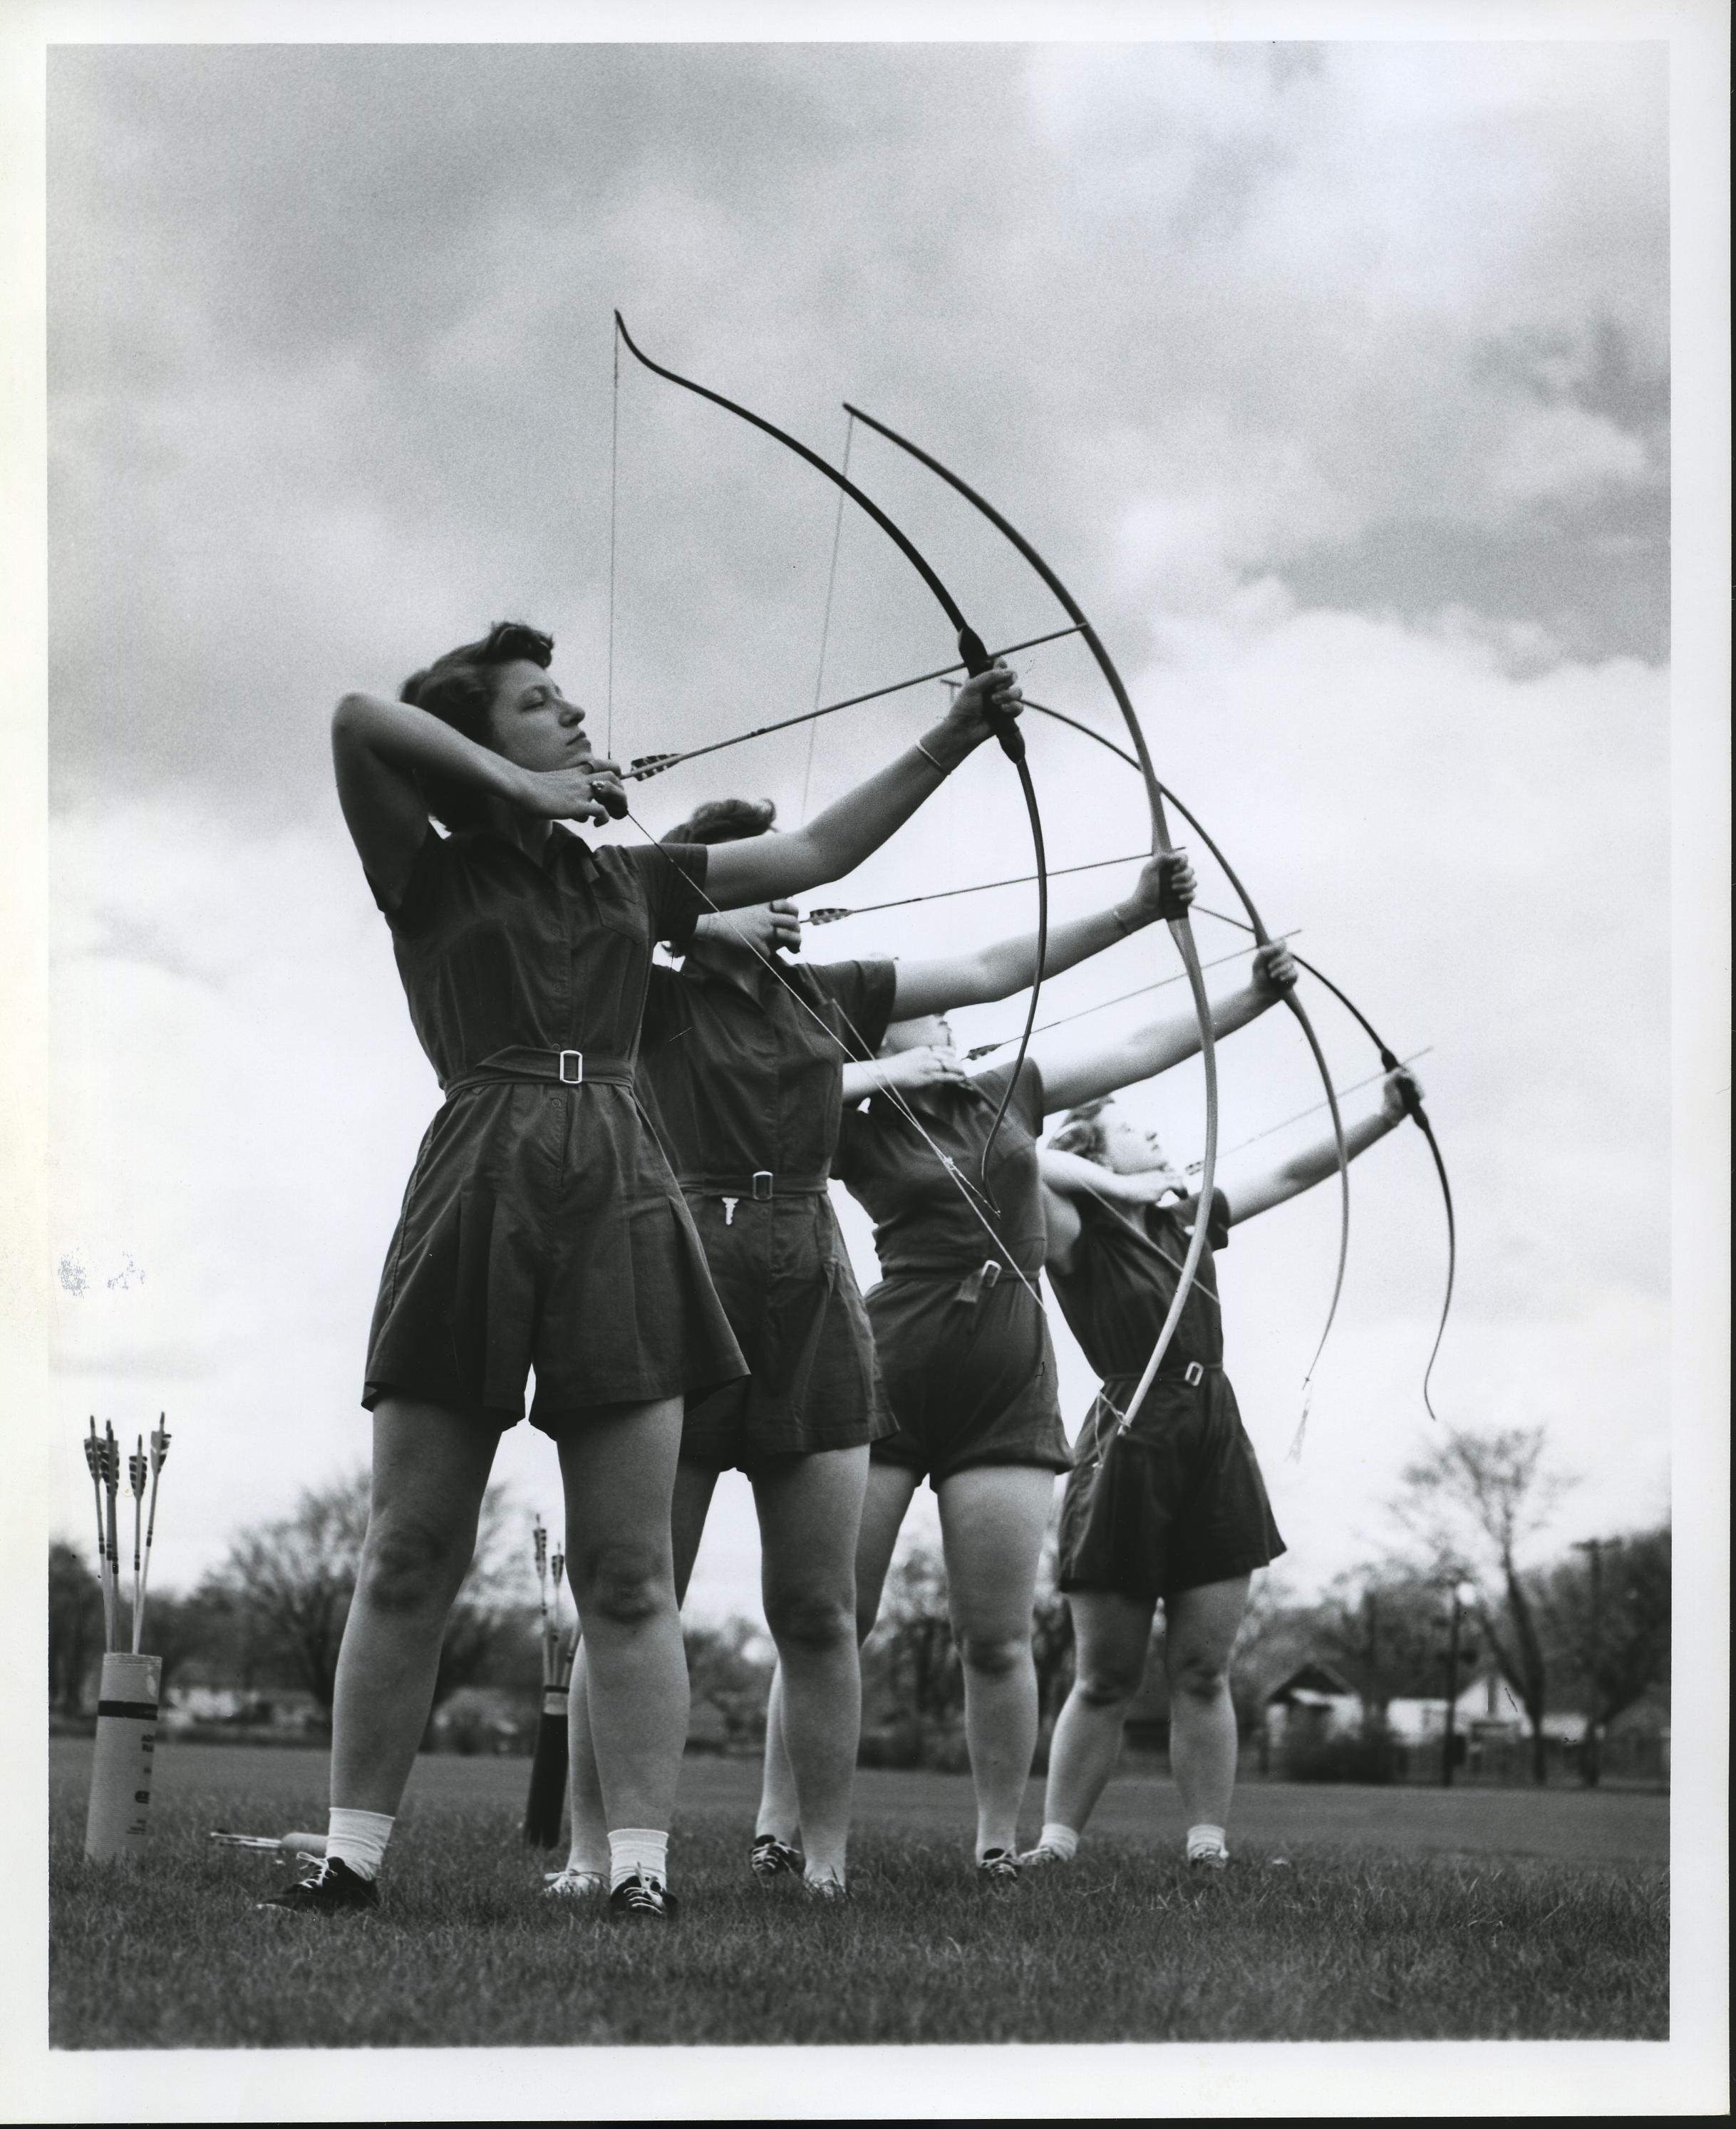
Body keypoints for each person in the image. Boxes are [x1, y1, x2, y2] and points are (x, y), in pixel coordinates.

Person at [263, 618, 1022, 1920]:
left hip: (619, 1182)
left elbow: (823, 848)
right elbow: (352, 716)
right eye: (536, 702)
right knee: (410, 1545)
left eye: (565, 700)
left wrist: (954, 734)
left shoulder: (636, 881)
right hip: (482, 1171)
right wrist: (519, 794)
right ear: (478, 742)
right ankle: (351, 1858)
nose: (571, 714)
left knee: (628, 1570)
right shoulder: (427, 871)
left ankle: (639, 1873)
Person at [553, 799, 1197, 1902]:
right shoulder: (642, 995)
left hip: (807, 1282)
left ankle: (826, 1863)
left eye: (785, 886)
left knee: (816, 1607)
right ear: (692, 902)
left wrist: (1137, 910)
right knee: (634, 1584)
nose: (790, 899)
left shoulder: (830, 993)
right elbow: (577, 926)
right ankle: (587, 1850)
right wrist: (694, 934)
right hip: (685, 1271)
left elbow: (996, 968)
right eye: (755, 883)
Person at [758, 912, 1304, 1886]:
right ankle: (776, 1824)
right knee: (836, 1612)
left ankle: (997, 1842)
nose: (941, 1014)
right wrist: (883, 1078)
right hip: (892, 1357)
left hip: (1006, 1371)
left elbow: (1142, 1044)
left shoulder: (1011, 1090)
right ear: (881, 1037)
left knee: (998, 1631)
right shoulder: (856, 1119)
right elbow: (756, 1094)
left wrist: (1254, 997)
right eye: (914, 1013)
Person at [1021, 1063, 1426, 1877]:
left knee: (1204, 1669)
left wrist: (1382, 1115)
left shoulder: (1189, 1220)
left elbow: (1291, 1170)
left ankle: (1208, 1846)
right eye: (1138, 1131)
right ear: (1096, 1150)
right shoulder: (1075, 1231)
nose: (1162, 1139)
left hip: (1213, 1433)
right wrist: (1116, 1188)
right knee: (1106, 1674)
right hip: (1130, 1436)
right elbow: (1018, 1157)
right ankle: (1057, 1846)